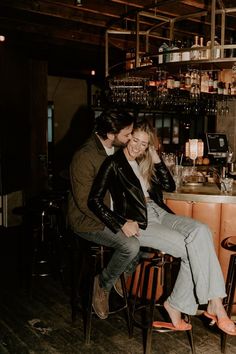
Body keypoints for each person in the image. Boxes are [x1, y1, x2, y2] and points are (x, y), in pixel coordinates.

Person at [88, 119, 236, 335]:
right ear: (128, 137)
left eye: (144, 144)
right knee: (192, 251)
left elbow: (170, 185)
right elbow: (94, 200)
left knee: (201, 231)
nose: (137, 147)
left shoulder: (144, 160)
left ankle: (194, 304)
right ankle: (208, 304)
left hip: (160, 213)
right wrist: (121, 223)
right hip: (140, 222)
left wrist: (155, 156)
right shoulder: (113, 164)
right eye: (135, 140)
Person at [68, 110, 140, 320]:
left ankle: (117, 275)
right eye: (127, 134)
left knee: (151, 238)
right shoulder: (85, 156)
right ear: (110, 133)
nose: (130, 139)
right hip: (88, 221)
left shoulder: (115, 150)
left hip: (115, 216)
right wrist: (120, 223)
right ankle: (102, 284)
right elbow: (85, 204)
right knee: (132, 246)